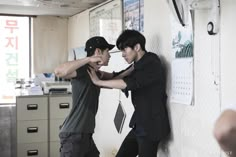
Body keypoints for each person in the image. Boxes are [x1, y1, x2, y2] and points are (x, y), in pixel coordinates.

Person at [88, 29, 171, 157]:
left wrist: (99, 82)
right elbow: (120, 76)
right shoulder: (137, 64)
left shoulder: (151, 62)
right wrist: (101, 75)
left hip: (151, 126)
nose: (122, 54)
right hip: (139, 124)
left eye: (124, 50)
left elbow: (128, 83)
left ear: (137, 47)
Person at [54, 36, 124, 157]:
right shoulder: (83, 70)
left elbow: (116, 78)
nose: (110, 55)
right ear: (98, 52)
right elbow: (59, 71)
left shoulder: (95, 74)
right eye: (107, 51)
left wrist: (135, 67)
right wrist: (88, 59)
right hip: (74, 135)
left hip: (85, 136)